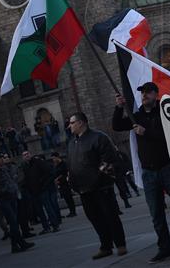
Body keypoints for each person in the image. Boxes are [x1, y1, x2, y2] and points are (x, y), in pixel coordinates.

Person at [113, 84, 170, 263]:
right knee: (156, 214)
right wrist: (119, 107)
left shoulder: (165, 111)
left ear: (155, 94)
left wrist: (146, 132)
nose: (144, 95)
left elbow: (169, 134)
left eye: (148, 92)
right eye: (142, 93)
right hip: (148, 172)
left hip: (167, 167)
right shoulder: (137, 115)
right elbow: (117, 125)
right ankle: (164, 248)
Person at [67, 111, 127, 260]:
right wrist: (72, 180)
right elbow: (72, 164)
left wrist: (96, 178)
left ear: (81, 123)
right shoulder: (72, 142)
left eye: (72, 123)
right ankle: (105, 246)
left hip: (101, 187)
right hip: (83, 189)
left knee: (110, 215)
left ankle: (120, 244)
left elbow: (108, 160)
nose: (70, 126)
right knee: (95, 218)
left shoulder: (99, 137)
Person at [0, 153, 35, 254]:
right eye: (1, 158)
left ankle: (15, 245)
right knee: (13, 222)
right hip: (3, 199)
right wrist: (3, 191)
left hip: (11, 197)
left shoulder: (2, 168)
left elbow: (10, 180)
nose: (3, 160)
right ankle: (20, 243)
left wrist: (13, 190)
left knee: (14, 222)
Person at [21, 150, 61, 233]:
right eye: (24, 155)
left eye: (27, 154)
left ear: (30, 154)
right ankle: (46, 227)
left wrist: (43, 183)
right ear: (23, 157)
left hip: (42, 189)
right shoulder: (25, 166)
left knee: (48, 207)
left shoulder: (37, 162)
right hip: (33, 191)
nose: (26, 156)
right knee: (40, 210)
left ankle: (55, 225)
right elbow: (26, 179)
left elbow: (49, 172)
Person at [50, 152, 77, 217]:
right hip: (60, 184)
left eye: (53, 158)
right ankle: (71, 211)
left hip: (65, 183)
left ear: (57, 157)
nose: (53, 160)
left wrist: (59, 179)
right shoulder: (56, 165)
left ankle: (73, 211)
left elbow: (66, 173)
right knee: (66, 198)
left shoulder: (63, 164)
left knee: (69, 198)